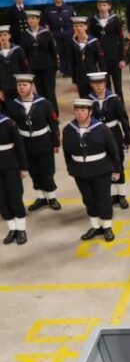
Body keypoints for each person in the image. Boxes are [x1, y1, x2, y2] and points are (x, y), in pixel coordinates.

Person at [63, 98, 122, 242]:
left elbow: (113, 150)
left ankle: (107, 227)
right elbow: (67, 153)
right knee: (88, 199)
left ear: (90, 112)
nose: (79, 113)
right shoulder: (69, 129)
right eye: (77, 110)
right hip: (80, 170)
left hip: (101, 169)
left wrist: (117, 169)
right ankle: (95, 226)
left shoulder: (101, 129)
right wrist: (71, 169)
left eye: (83, 110)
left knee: (103, 199)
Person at [8, 74, 60, 212]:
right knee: (34, 171)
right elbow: (11, 128)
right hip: (25, 143)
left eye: (25, 85)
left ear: (31, 86)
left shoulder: (44, 103)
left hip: (43, 141)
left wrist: (56, 142)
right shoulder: (13, 105)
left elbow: (53, 123)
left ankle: (52, 197)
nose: (21, 88)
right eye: (19, 85)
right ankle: (41, 197)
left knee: (47, 170)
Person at [88, 72, 130, 209]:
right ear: (91, 84)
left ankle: (122, 195)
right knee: (105, 165)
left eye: (101, 83)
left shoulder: (114, 99)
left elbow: (123, 118)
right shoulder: (89, 100)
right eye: (95, 83)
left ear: (105, 83)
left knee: (118, 163)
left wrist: (128, 135)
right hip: (98, 135)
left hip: (114, 134)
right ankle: (112, 194)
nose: (98, 86)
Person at [0, 105, 28, 244]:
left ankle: (21, 229)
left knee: (15, 196)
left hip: (10, 164)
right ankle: (12, 228)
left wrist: (23, 167)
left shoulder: (7, 123)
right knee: (2, 199)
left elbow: (20, 145)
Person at [23, 11, 59, 116]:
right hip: (34, 67)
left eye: (33, 18)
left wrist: (56, 66)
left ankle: (54, 113)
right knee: (40, 91)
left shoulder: (46, 33)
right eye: (29, 19)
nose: (31, 21)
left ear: (38, 20)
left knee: (50, 91)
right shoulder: (25, 34)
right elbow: (25, 53)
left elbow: (53, 50)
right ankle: (44, 114)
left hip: (48, 66)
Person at [91, 0, 125, 100]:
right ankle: (109, 106)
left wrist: (122, 58)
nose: (102, 8)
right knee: (106, 86)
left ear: (109, 6)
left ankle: (120, 106)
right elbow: (92, 40)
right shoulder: (94, 20)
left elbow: (121, 39)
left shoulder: (115, 20)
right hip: (102, 58)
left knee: (118, 86)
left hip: (115, 57)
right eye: (100, 5)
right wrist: (95, 58)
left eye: (104, 5)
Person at [69, 17, 103, 99]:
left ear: (86, 27)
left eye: (81, 26)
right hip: (80, 76)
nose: (78, 28)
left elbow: (101, 61)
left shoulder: (94, 42)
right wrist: (74, 81)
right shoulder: (73, 43)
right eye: (76, 26)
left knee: (96, 98)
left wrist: (102, 77)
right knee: (84, 99)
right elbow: (73, 63)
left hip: (93, 74)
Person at [45, 0, 75, 77]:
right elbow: (47, 24)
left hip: (69, 32)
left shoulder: (69, 8)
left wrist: (75, 33)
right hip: (56, 33)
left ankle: (71, 70)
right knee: (60, 52)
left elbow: (75, 21)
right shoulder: (49, 10)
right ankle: (64, 71)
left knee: (69, 51)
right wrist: (48, 36)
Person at [0, 26, 28, 112]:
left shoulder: (17, 50)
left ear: (9, 36)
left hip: (19, 85)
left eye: (5, 35)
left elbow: (25, 68)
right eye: (0, 36)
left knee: (22, 109)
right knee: (9, 110)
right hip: (5, 87)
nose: (2, 37)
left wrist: (27, 84)